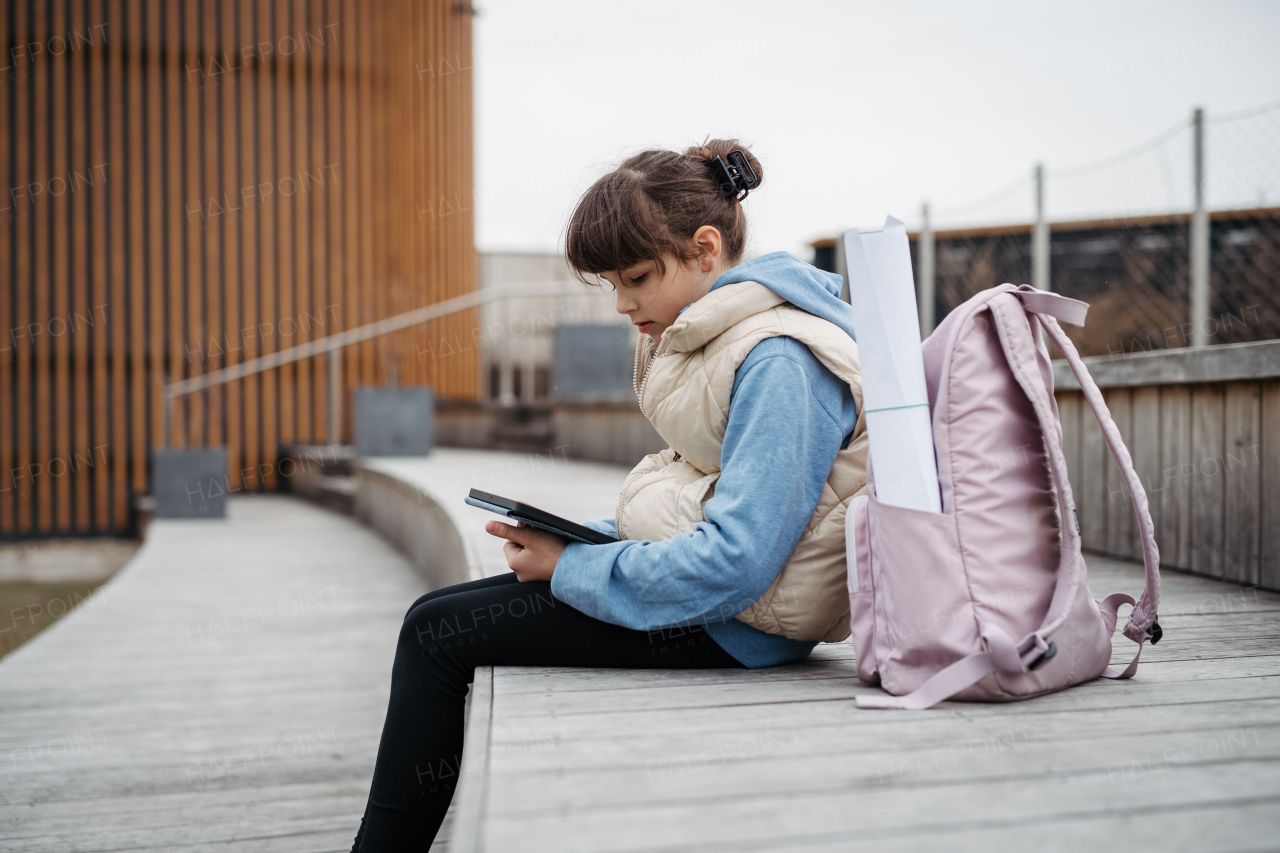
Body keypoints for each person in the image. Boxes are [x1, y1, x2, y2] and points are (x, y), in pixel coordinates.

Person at [349, 138, 868, 851]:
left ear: (706, 249)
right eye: (612, 283)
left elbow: (739, 562)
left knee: (435, 636)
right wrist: (578, 539)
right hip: (712, 606)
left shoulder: (779, 360)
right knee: (435, 615)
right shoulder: (716, 341)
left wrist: (572, 567)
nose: (623, 304)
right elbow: (700, 499)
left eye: (637, 277)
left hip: (737, 626)